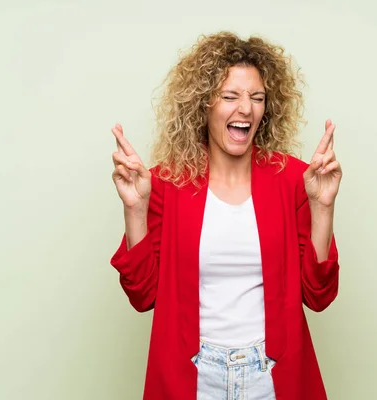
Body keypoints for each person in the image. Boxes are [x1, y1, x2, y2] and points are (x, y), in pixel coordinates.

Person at [109, 31, 342, 400]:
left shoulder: (295, 180)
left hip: (272, 376)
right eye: (230, 96)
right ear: (204, 104)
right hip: (194, 378)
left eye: (257, 98)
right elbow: (142, 296)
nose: (245, 109)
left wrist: (323, 207)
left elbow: (318, 296)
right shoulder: (167, 184)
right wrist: (135, 209)